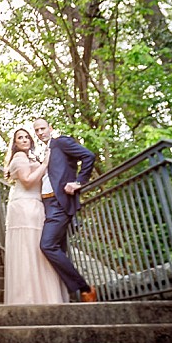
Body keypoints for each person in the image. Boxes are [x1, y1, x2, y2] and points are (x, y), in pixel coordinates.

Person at [29, 115, 98, 302]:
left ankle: (84, 289)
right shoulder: (46, 151)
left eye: (42, 128)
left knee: (47, 245)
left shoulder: (61, 143)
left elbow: (88, 156)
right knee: (58, 248)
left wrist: (78, 182)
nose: (40, 132)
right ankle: (67, 295)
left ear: (50, 128)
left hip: (59, 203)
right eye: (36, 130)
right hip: (46, 204)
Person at [2, 127, 67, 305]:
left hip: (35, 205)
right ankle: (28, 298)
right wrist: (45, 164)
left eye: (26, 137)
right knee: (28, 250)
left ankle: (45, 296)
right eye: (19, 138)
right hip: (24, 207)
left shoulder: (30, 157)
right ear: (15, 143)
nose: (24, 140)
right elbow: (28, 180)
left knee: (37, 249)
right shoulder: (19, 157)